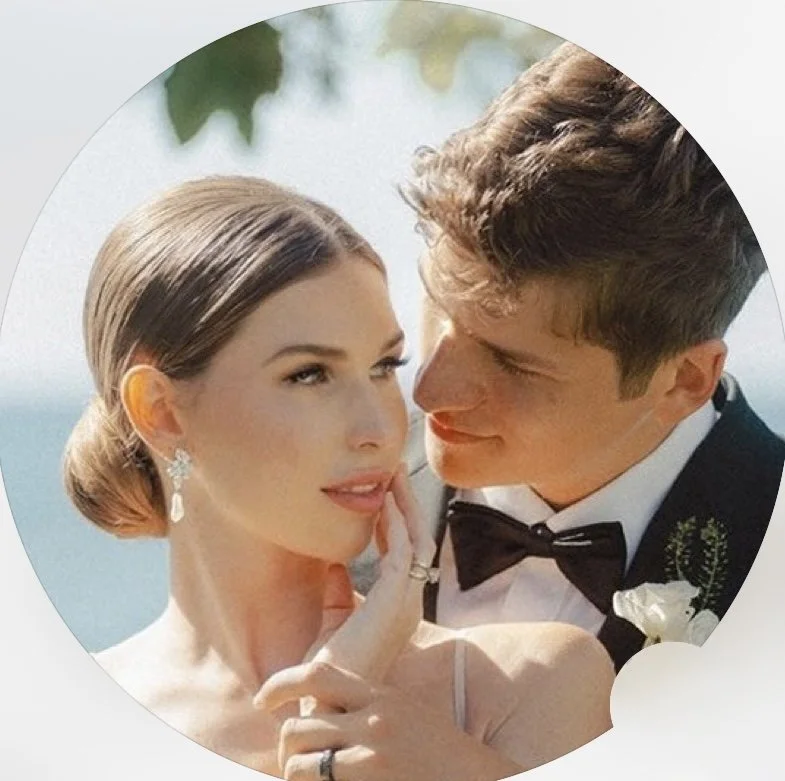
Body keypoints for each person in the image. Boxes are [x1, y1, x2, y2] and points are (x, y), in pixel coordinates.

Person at [63, 175, 613, 780]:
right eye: (309, 374)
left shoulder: (532, 684)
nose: (380, 427)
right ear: (160, 412)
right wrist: (339, 691)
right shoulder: (68, 720)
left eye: (384, 366)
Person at [400, 41, 785, 670]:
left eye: (511, 362)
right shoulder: (326, 481)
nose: (428, 390)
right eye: (438, 308)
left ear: (684, 380)